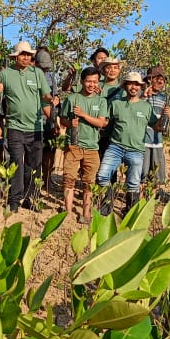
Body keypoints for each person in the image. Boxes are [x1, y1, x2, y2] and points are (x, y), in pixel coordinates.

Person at [96, 71, 166, 215]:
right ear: (125, 86)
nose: (133, 87)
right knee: (102, 176)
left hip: (136, 150)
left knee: (133, 184)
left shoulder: (146, 107)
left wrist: (165, 116)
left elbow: (157, 127)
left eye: (136, 84)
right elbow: (104, 122)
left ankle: (129, 213)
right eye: (130, 84)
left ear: (140, 87)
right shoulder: (115, 104)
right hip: (115, 147)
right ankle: (105, 211)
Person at [0, 41, 53, 212]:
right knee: (15, 164)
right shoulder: (5, 74)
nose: (26, 57)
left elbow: (45, 97)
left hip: (36, 128)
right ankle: (14, 200)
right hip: (14, 126)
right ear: (16, 56)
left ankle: (31, 198)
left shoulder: (38, 74)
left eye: (28, 55)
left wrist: (52, 102)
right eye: (23, 54)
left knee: (34, 165)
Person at [60, 68, 108, 224]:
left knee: (89, 182)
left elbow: (101, 122)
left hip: (92, 147)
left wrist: (83, 115)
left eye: (95, 81)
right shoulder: (72, 98)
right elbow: (62, 120)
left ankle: (85, 214)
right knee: (69, 179)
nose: (91, 84)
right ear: (82, 81)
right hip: (73, 146)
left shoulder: (101, 101)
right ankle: (67, 212)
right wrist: (70, 122)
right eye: (88, 81)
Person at [143, 66, 170, 186]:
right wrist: (144, 97)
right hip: (142, 141)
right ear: (149, 80)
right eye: (157, 78)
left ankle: (152, 201)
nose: (160, 82)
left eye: (163, 79)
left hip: (157, 141)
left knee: (157, 176)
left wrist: (169, 116)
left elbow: (165, 123)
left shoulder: (163, 98)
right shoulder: (140, 94)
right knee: (142, 175)